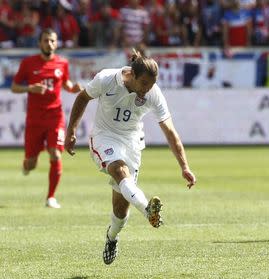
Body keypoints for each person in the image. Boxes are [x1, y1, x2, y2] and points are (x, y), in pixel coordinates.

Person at [64, 49, 197, 264]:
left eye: (152, 84)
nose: (147, 89)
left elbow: (170, 131)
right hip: (104, 137)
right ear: (132, 76)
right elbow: (82, 97)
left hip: (132, 143)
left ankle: (111, 237)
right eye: (144, 83)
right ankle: (148, 212)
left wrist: (185, 166)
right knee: (118, 169)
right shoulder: (107, 78)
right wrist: (71, 131)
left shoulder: (153, 93)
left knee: (120, 209)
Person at [11, 28, 82, 209]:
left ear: (56, 43)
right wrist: (30, 89)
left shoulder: (62, 63)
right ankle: (27, 165)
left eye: (52, 41)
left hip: (55, 116)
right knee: (31, 164)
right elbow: (14, 87)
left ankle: (51, 197)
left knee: (55, 153)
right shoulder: (28, 63)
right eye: (45, 40)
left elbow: (65, 82)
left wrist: (73, 88)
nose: (49, 44)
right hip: (34, 120)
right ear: (39, 43)